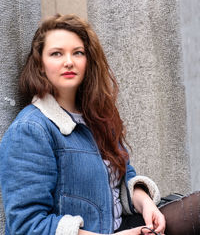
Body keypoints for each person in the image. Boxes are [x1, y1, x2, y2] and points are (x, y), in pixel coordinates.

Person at [0, 14, 199, 235]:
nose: (69, 61)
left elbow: (123, 177)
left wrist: (146, 204)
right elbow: (26, 226)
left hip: (125, 226)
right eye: (57, 53)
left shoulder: (96, 117)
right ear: (39, 65)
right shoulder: (31, 130)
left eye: (78, 53)